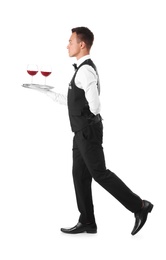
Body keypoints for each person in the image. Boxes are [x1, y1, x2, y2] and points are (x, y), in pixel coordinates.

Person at [32, 26, 153, 235]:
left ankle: (140, 206)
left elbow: (95, 106)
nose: (67, 45)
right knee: (79, 175)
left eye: (70, 41)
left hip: (88, 131)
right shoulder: (81, 70)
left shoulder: (85, 70)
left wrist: (87, 115)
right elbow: (73, 103)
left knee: (100, 174)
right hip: (80, 132)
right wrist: (45, 92)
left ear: (81, 44)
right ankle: (87, 221)